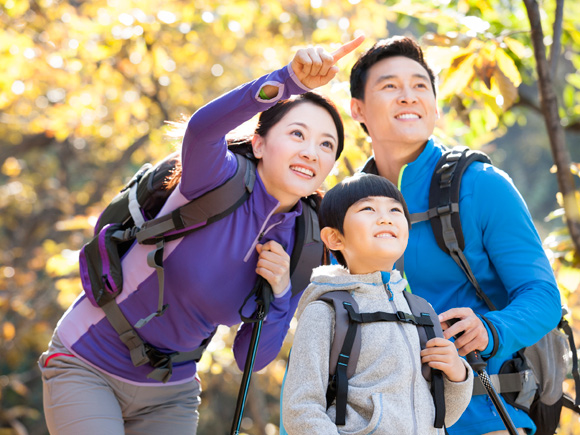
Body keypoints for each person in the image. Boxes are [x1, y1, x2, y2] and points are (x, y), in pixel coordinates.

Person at [38, 36, 364, 435]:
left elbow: (251, 359)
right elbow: (202, 128)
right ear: (259, 143)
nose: (312, 151)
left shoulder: (305, 244)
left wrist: (279, 297)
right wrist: (288, 81)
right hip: (88, 360)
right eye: (297, 134)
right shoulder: (217, 176)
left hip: (170, 394)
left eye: (326, 145)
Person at [349, 36, 562, 435]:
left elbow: (544, 297)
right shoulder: (346, 208)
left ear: (433, 103)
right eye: (390, 86)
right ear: (357, 108)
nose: (408, 96)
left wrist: (491, 330)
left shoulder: (481, 185)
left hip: (483, 416)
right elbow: (328, 329)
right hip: (379, 423)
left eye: (419, 86)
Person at [282, 173, 473, 434]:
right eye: (368, 208)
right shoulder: (325, 312)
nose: (386, 217)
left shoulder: (420, 311)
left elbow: (443, 417)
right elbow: (301, 410)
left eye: (395, 210)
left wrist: (457, 375)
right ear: (335, 239)